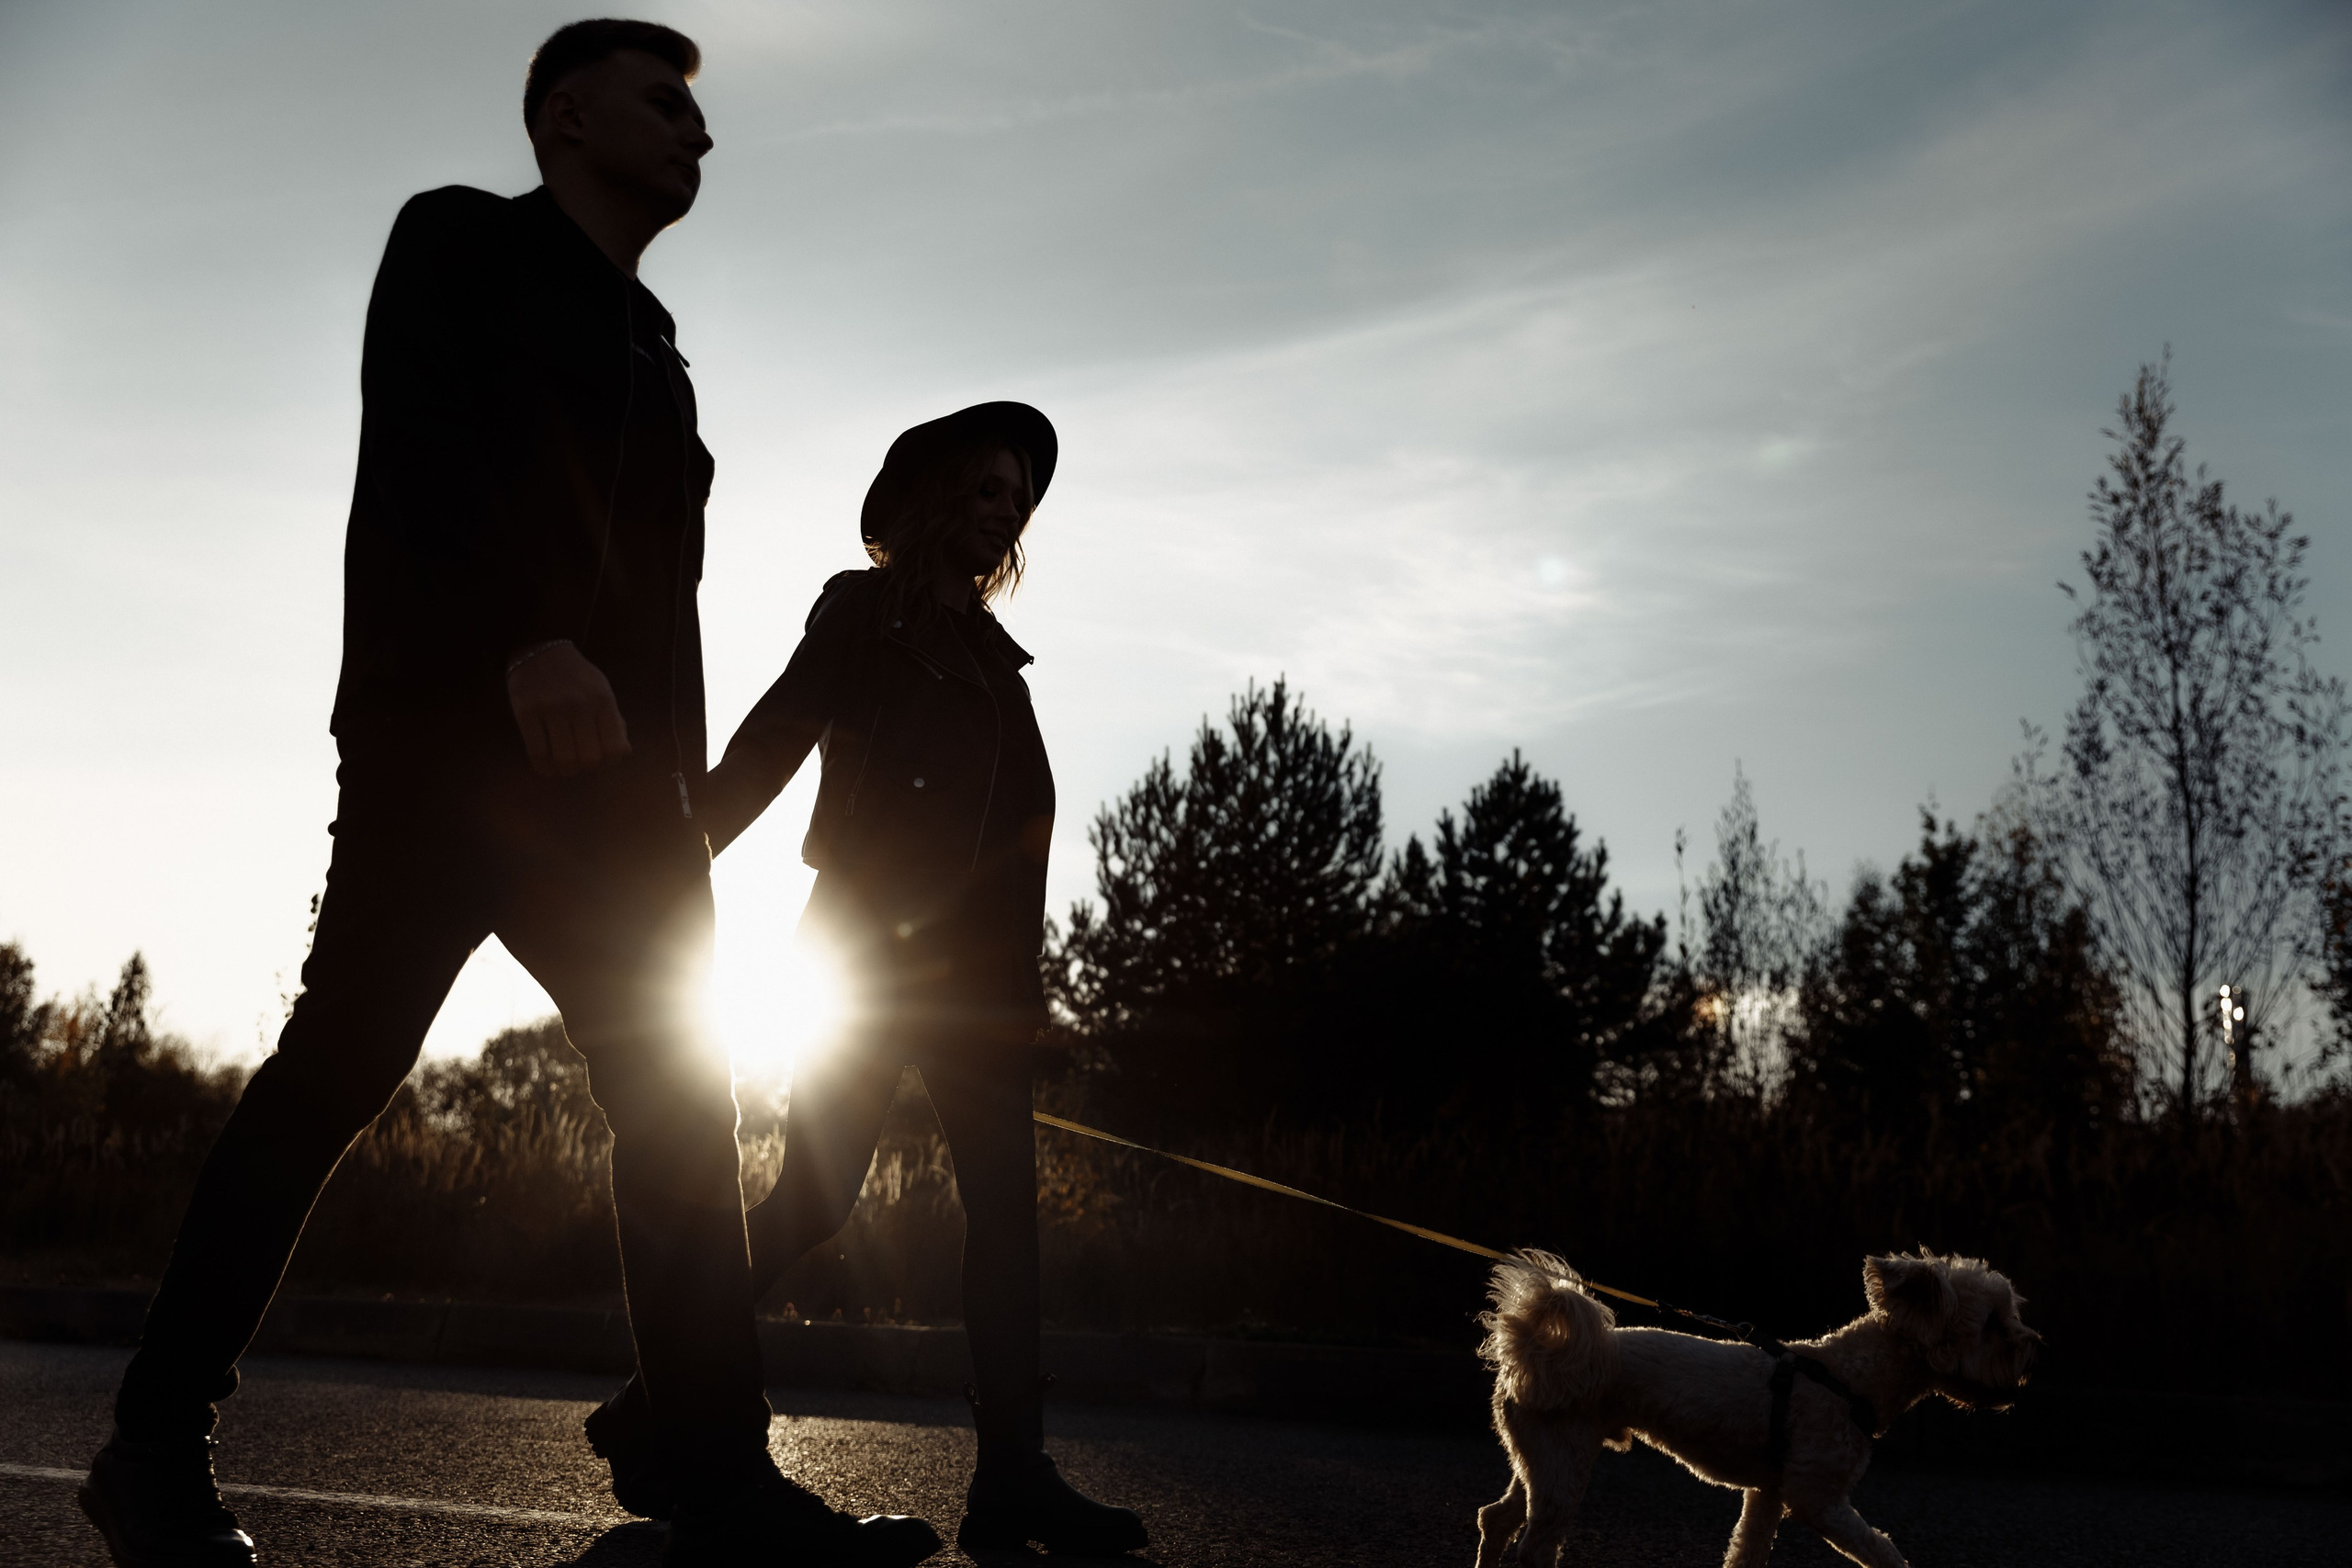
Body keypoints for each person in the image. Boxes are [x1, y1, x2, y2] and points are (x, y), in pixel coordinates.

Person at [77, 21, 939, 1568]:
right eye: (667, 102)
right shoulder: (460, 244)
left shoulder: (656, 342)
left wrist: (682, 804)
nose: (701, 132)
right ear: (566, 116)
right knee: (336, 1071)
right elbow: (422, 454)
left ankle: (714, 1479)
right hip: (448, 760)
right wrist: (520, 637)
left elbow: (662, 606)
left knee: (679, 1106)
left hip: (621, 812)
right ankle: (151, 1448)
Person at [580, 402, 1151, 1556]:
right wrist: (673, 844)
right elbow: (773, 740)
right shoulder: (863, 613)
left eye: (1017, 499)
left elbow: (1014, 846)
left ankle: (1014, 1479)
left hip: (977, 989)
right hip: (860, 955)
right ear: (937, 496)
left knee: (1007, 1220)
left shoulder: (1000, 666)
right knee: (817, 1198)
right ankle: (657, 1401)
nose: (1005, 512)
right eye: (986, 489)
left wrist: (1023, 998)